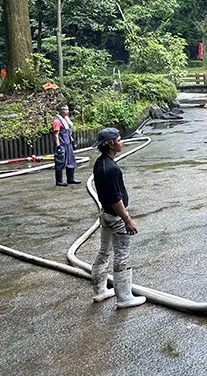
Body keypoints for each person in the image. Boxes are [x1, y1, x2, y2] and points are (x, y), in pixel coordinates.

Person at [90, 127, 146, 309]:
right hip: (115, 218)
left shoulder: (100, 164)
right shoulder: (112, 169)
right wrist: (127, 220)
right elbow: (115, 199)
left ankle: (100, 291)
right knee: (121, 256)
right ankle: (124, 298)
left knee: (103, 252)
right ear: (111, 144)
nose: (122, 143)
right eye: (119, 140)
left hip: (105, 216)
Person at [53, 104, 80, 186]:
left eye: (67, 109)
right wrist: (58, 146)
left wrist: (72, 142)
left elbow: (69, 133)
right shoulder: (57, 121)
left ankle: (70, 179)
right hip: (61, 144)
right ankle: (59, 181)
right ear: (60, 111)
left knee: (71, 160)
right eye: (64, 110)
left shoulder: (66, 120)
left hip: (68, 143)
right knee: (60, 162)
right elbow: (56, 134)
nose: (66, 111)